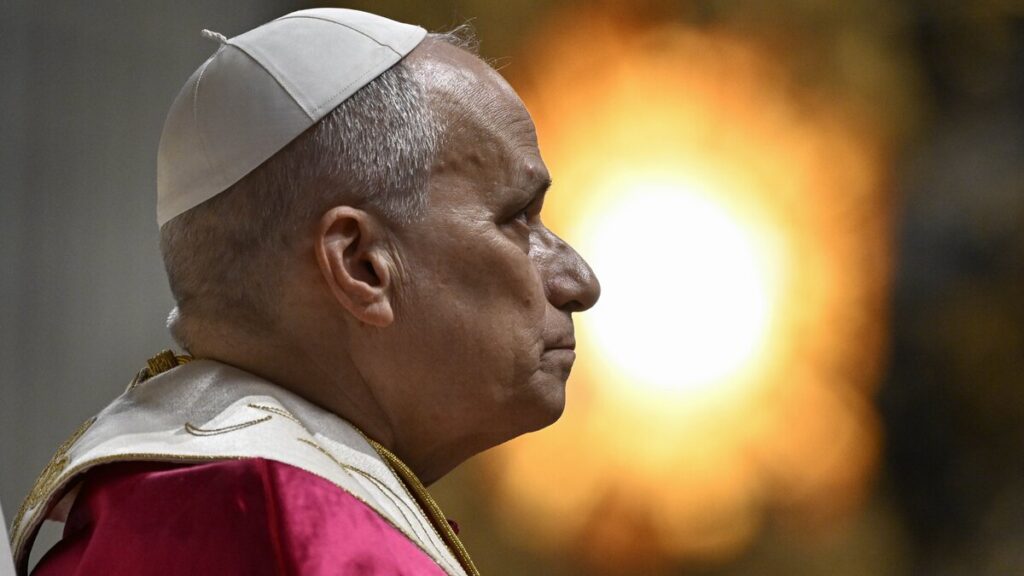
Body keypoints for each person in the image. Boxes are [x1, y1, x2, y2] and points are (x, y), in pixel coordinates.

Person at [9, 7, 599, 576]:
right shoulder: (294, 529)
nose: (580, 283)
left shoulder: (162, 510)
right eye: (519, 217)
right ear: (362, 264)